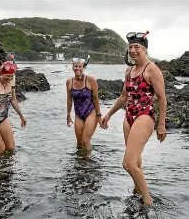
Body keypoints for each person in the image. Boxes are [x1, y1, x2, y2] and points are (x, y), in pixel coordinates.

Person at [101, 31, 167, 206]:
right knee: (136, 160)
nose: (133, 50)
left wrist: (161, 124)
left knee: (128, 163)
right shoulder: (129, 70)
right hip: (128, 116)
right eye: (130, 47)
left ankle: (148, 202)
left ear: (144, 49)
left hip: (144, 116)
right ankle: (138, 192)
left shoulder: (152, 69)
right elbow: (123, 96)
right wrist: (108, 114)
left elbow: (161, 97)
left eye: (137, 47)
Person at [66, 57, 102, 151]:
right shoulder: (69, 82)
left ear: (83, 67)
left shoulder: (90, 80)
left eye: (80, 66)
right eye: (75, 66)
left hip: (91, 113)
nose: (77, 68)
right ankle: (80, 162)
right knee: (79, 142)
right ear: (73, 67)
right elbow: (69, 99)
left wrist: (99, 115)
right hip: (78, 115)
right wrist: (68, 115)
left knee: (86, 140)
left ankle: (88, 162)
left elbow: (95, 98)